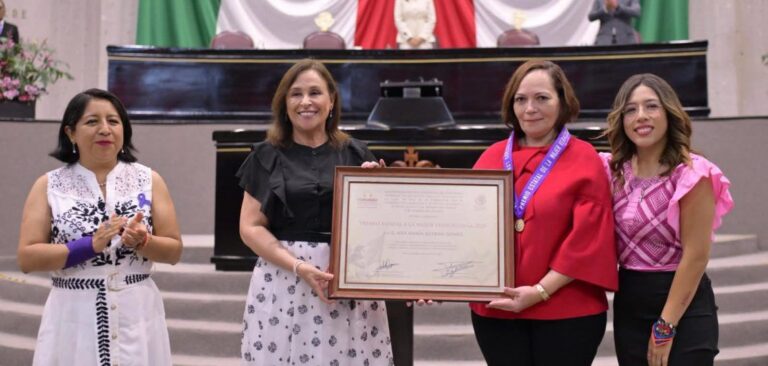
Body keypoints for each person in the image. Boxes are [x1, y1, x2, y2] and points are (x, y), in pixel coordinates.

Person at [236, 59, 393, 365]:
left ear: (331, 101)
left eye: (315, 93)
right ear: (284, 102)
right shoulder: (265, 155)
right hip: (285, 278)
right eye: (296, 94)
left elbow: (379, 228)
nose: (305, 102)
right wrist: (298, 266)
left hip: (346, 279)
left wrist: (380, 192)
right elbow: (250, 227)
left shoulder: (357, 153)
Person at [17, 88, 183, 365]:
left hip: (137, 313)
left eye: (113, 121)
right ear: (71, 133)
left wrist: (145, 242)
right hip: (73, 316)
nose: (104, 129)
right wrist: (88, 246)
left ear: (124, 131)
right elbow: (27, 257)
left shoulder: (149, 180)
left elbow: (174, 252)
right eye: (92, 121)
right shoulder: (49, 185)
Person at [469, 59, 618, 365]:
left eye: (542, 98)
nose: (529, 109)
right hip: (498, 310)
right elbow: (465, 230)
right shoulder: (490, 157)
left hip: (567, 311)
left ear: (563, 103)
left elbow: (587, 239)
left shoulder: (583, 158)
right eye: (520, 99)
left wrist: (539, 291)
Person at [600, 73, 733, 366]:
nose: (641, 116)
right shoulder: (612, 171)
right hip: (630, 303)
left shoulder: (692, 174)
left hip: (682, 306)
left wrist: (665, 326)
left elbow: (696, 256)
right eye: (631, 110)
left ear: (669, 112)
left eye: (651, 106)